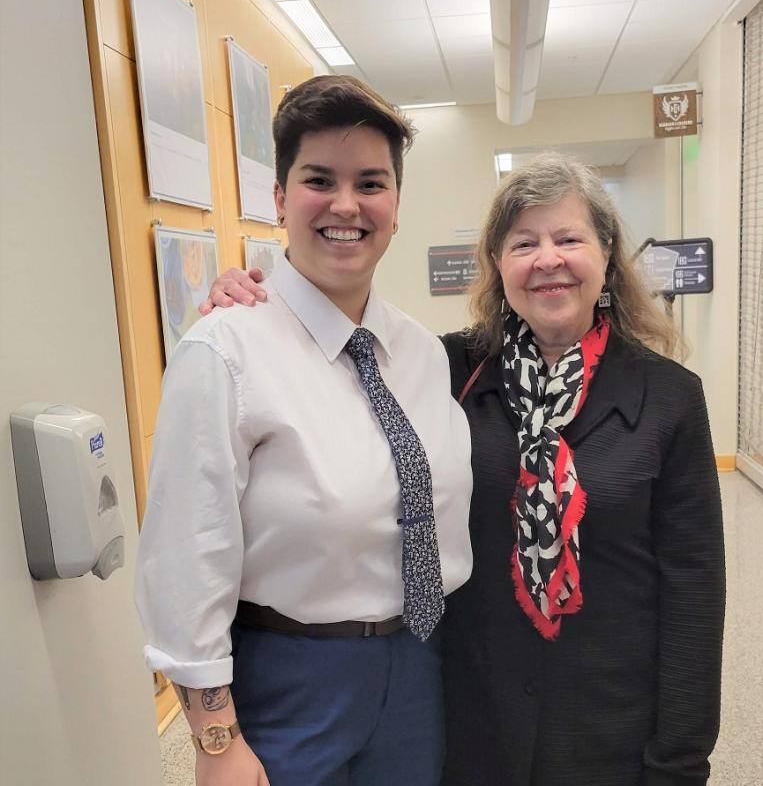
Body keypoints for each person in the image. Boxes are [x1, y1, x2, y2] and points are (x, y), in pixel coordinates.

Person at [208, 151, 725, 785]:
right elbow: (326, 356)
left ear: (607, 255)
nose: (547, 259)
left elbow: (694, 598)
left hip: (611, 724)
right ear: (499, 266)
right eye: (523, 243)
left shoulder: (669, 397)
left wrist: (679, 760)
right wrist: (254, 299)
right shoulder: (441, 369)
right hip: (471, 719)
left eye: (569, 238)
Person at [135, 75, 473, 786]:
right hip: (289, 679)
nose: (346, 205)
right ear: (282, 199)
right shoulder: (225, 349)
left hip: (419, 671)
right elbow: (185, 559)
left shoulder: (420, 353)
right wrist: (215, 738)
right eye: (320, 179)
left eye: (371, 183)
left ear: (396, 206)